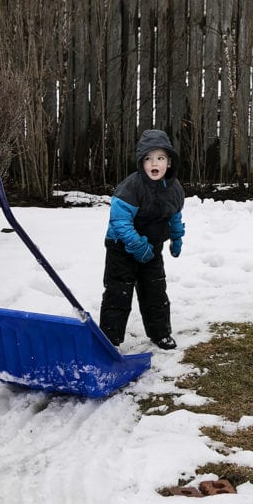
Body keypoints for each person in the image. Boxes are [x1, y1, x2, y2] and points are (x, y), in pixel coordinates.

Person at [99, 129, 186, 350]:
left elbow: (175, 215)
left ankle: (161, 333)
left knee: (155, 291)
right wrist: (137, 246)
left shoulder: (174, 189)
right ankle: (109, 340)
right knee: (119, 293)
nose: (154, 163)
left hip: (152, 249)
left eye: (160, 158)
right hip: (121, 248)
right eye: (148, 158)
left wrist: (176, 239)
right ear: (141, 162)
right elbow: (120, 222)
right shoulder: (131, 187)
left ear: (169, 161)